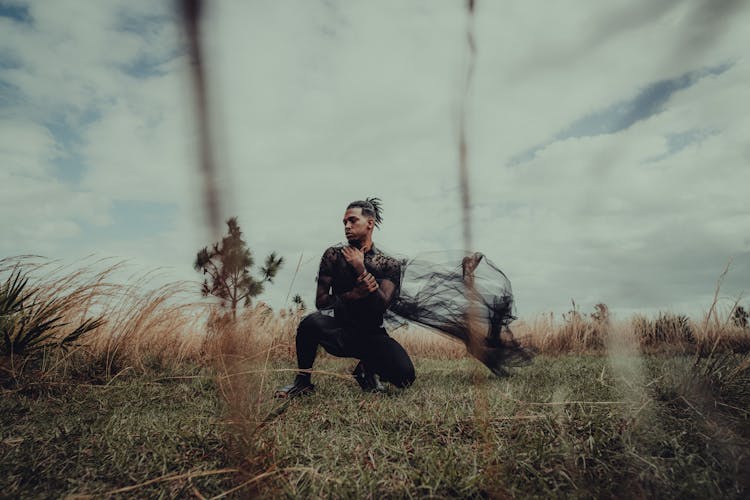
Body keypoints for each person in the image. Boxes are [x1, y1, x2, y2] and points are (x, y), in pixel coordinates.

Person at [275, 198, 415, 398]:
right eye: (344, 222)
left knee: (405, 377)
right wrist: (355, 294)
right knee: (310, 322)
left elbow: (382, 305)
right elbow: (321, 301)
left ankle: (365, 370)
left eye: (352, 221)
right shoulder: (333, 255)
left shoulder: (389, 264)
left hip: (372, 336)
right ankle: (302, 381)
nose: (347, 226)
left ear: (369, 223)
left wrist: (360, 268)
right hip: (340, 332)